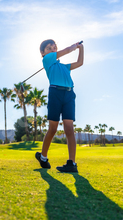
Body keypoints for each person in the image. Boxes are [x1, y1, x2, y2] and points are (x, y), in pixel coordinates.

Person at [35, 39, 84, 172]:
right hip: (55, 92)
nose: (52, 49)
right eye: (48, 48)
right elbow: (66, 50)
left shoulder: (63, 66)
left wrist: (81, 49)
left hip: (69, 94)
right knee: (53, 129)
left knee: (69, 128)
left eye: (53, 47)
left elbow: (80, 63)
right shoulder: (47, 60)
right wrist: (73, 47)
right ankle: (43, 157)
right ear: (43, 53)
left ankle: (71, 163)